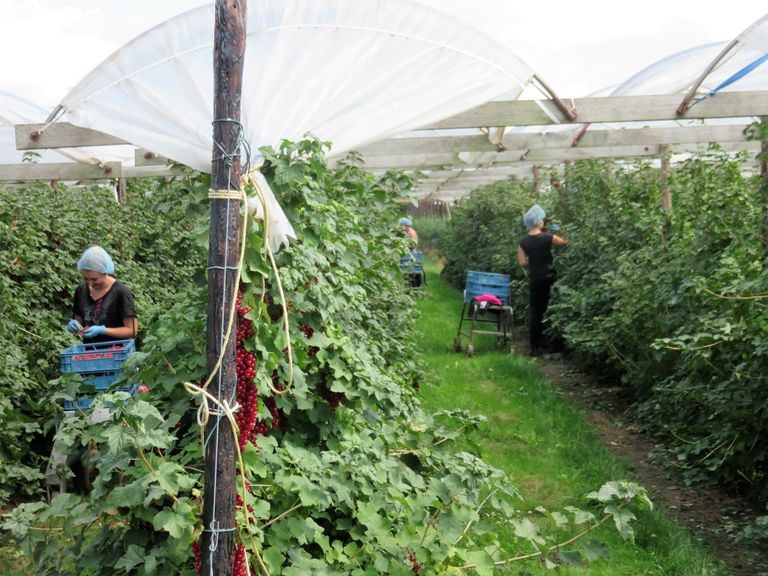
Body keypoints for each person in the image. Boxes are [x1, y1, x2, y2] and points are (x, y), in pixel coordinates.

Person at [517, 205, 567, 357]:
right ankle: (553, 343)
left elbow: (522, 263)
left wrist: (532, 260)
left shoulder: (523, 241)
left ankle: (535, 348)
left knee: (536, 313)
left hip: (535, 279)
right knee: (551, 308)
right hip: (550, 277)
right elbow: (563, 243)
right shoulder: (548, 237)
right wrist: (560, 232)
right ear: (539, 222)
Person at [66, 246, 138, 343]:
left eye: (94, 279)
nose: (89, 284)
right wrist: (75, 326)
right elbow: (79, 321)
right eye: (85, 278)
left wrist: (103, 330)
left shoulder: (121, 293)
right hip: (90, 351)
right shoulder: (81, 290)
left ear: (105, 272)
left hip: (117, 352)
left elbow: (132, 331)